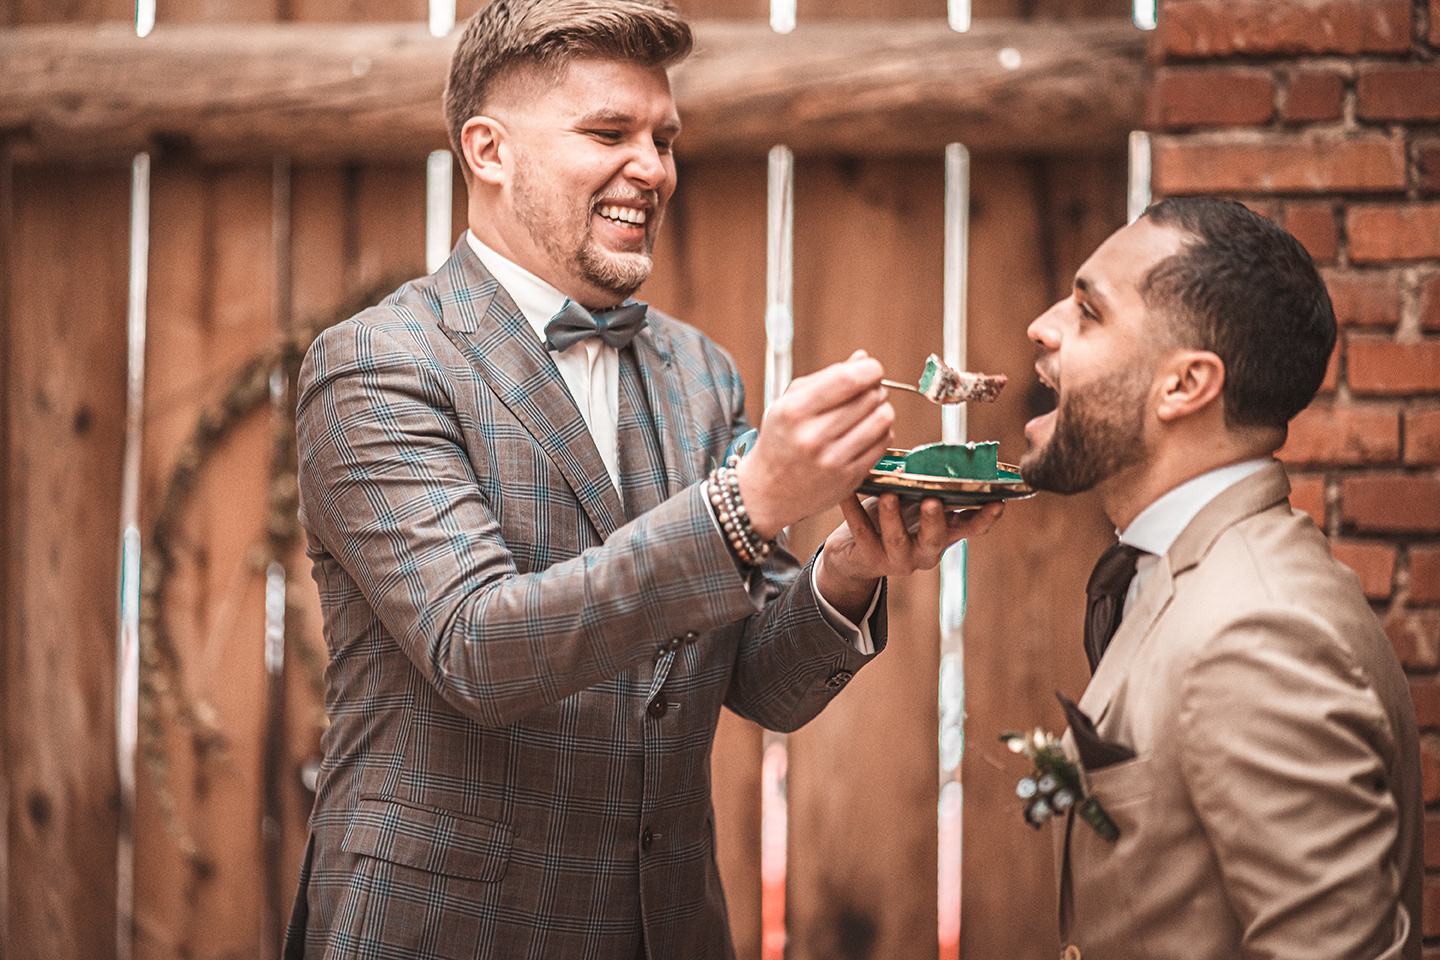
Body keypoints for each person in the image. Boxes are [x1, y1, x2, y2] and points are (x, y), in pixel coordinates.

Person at [283, 1, 1002, 957]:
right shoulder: (376, 364)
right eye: (608, 133)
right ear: (489, 151)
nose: (653, 168)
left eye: (664, 139)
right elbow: (477, 646)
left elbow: (761, 684)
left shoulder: (700, 371)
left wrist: (848, 567)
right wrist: (748, 505)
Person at [1020, 196, 1421, 960]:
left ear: (1184, 386)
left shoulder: (1260, 633)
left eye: (1088, 312)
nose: (1043, 326)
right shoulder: (1177, 571)